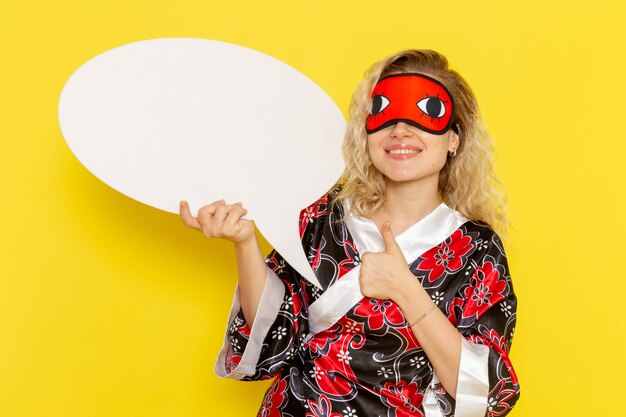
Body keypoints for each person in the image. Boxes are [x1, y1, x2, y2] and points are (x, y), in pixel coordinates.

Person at [179, 49, 520, 417]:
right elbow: (274, 336)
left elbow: (483, 394)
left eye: (425, 114)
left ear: (454, 138)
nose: (400, 130)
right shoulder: (322, 216)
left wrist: (405, 289)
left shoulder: (477, 250)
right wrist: (245, 242)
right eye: (384, 113)